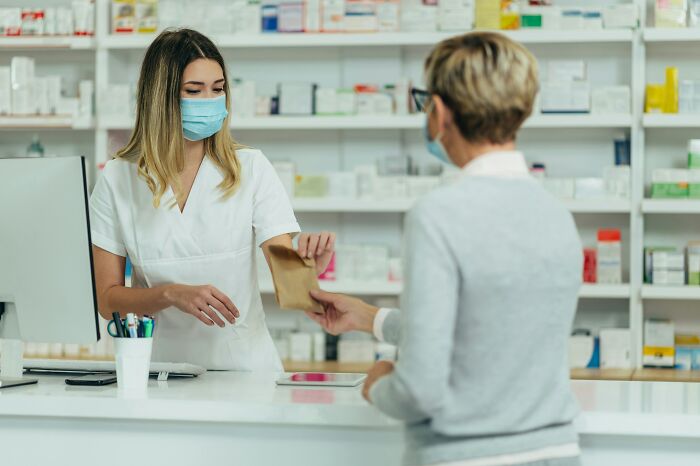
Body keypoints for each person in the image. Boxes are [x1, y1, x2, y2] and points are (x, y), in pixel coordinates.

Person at [307, 32, 583, 466]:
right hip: (557, 453)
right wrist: (372, 319)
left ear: (439, 112)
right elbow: (491, 329)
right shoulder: (556, 214)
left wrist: (379, 384)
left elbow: (419, 391)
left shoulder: (438, 215)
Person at [89, 28, 334, 371]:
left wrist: (308, 269)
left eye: (218, 89)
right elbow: (107, 300)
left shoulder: (250, 168)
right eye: (194, 90)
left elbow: (291, 283)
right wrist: (169, 293)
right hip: (161, 371)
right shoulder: (118, 179)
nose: (210, 100)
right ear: (160, 97)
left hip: (246, 370)